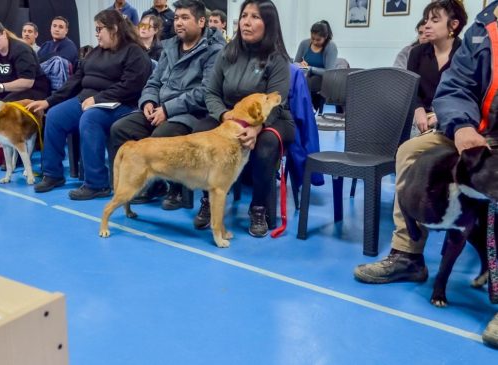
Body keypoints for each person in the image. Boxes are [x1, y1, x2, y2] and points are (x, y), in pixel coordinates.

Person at [354, 0, 498, 349]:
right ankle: (408, 255)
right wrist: (462, 126)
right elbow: (455, 88)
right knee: (411, 151)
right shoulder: (486, 27)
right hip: (474, 128)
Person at [192, 0, 295, 237]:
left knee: (264, 146)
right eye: (244, 16)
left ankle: (258, 207)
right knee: (201, 129)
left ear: (268, 24)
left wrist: (257, 128)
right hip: (231, 117)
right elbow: (211, 92)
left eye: (255, 17)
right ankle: (210, 200)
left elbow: (277, 102)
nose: (247, 22)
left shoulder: (276, 59)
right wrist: (225, 115)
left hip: (271, 119)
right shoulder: (227, 52)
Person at [109, 0, 225, 208]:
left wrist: (168, 109)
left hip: (190, 113)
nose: (178, 23)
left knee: (162, 135)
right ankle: (135, 183)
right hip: (159, 108)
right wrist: (149, 100)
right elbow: (153, 81)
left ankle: (176, 190)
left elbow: (205, 92)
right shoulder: (169, 46)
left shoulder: (214, 51)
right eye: (177, 17)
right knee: (121, 129)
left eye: (185, 18)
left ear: (201, 22)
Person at [27, 9, 151, 199]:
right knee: (55, 115)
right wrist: (48, 101)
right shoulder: (95, 52)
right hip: (87, 100)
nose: (96, 33)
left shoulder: (134, 52)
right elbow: (75, 80)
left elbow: (131, 87)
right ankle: (53, 174)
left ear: (114, 29)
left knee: (90, 119)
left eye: (99, 29)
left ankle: (97, 184)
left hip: (121, 104)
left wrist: (99, 99)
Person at [408, 1, 465, 134]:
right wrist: (418, 108)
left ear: (453, 25)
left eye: (435, 20)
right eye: (427, 20)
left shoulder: (465, 55)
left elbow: (468, 95)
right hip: (420, 119)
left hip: (453, 117)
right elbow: (411, 89)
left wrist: (442, 114)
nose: (427, 25)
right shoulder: (416, 53)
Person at [0, 19, 50, 102]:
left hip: (32, 89)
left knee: (5, 106)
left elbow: (27, 82)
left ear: (4, 34)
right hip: (3, 90)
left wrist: (0, 87)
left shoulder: (21, 50)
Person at [293, 20, 338, 115]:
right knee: (297, 79)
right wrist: (300, 65)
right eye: (312, 38)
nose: (314, 42)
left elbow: (329, 72)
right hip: (304, 74)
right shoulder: (304, 44)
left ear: (325, 37)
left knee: (306, 81)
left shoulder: (331, 47)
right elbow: (295, 62)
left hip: (322, 79)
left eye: (318, 40)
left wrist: (311, 68)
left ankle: (308, 109)